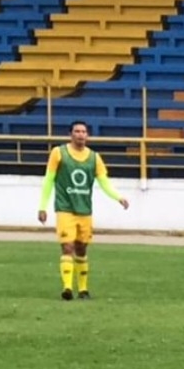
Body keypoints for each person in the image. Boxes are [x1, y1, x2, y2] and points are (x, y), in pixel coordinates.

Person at [36, 121, 130, 300]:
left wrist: (118, 197)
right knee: (67, 246)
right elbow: (49, 180)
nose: (80, 134)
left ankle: (83, 289)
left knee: (81, 248)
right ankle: (67, 288)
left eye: (84, 131)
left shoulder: (94, 158)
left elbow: (104, 182)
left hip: (84, 210)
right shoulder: (58, 153)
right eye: (77, 131)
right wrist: (42, 206)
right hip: (65, 208)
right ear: (70, 134)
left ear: (87, 135)